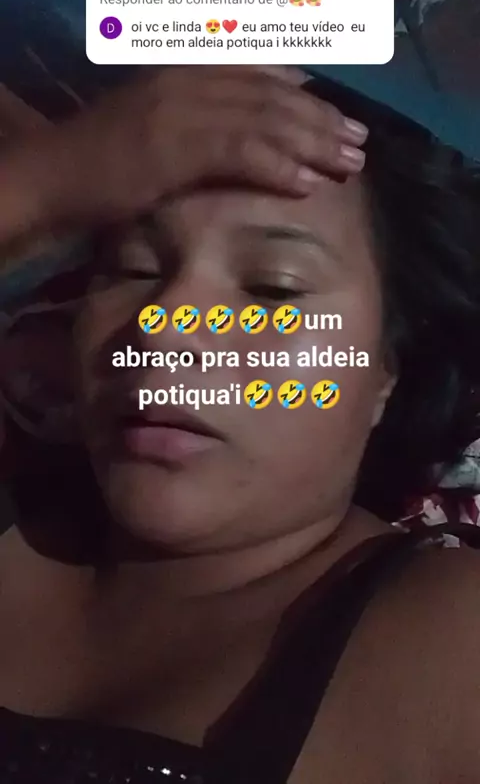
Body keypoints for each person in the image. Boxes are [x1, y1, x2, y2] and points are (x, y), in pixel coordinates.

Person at [0, 65, 480, 784]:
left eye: (272, 290)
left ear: (388, 367)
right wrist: (44, 185)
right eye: (133, 268)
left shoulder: (450, 643)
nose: (162, 330)